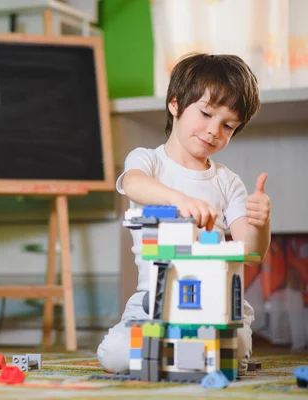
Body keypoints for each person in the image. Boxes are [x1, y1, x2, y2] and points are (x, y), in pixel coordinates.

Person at [97, 53, 271, 376]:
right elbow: (134, 184)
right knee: (112, 353)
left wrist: (261, 223)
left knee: (235, 354)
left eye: (228, 125)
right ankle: (182, 353)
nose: (213, 131)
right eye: (205, 113)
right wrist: (179, 201)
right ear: (175, 104)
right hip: (153, 303)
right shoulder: (148, 161)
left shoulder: (227, 181)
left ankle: (176, 354)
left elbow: (252, 252)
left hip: (216, 304)